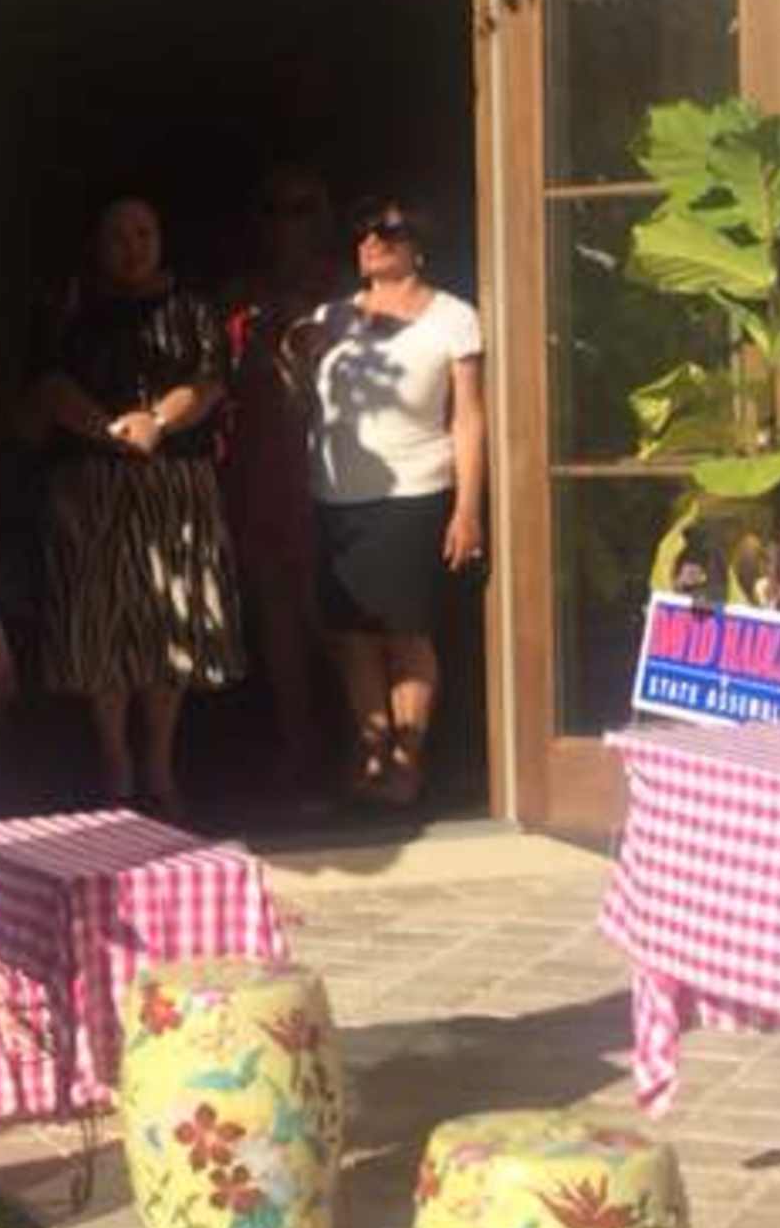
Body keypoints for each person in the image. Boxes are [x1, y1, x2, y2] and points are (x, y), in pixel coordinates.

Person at [29, 195, 243, 813]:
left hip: (172, 482)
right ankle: (115, 762)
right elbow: (48, 383)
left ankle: (159, 763)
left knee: (168, 620)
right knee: (102, 622)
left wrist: (156, 423)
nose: (133, 247)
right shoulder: (71, 308)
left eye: (145, 233)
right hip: (91, 483)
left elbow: (208, 382)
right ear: (98, 244)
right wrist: (107, 431)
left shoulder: (192, 308)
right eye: (119, 236)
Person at [301, 195, 487, 809]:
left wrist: (468, 509)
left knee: (407, 633)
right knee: (352, 635)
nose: (372, 241)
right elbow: (306, 400)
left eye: (388, 230)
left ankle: (409, 757)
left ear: (418, 244)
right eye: (363, 231)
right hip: (337, 496)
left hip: (414, 491)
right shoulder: (330, 316)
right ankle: (372, 750)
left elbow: (468, 418)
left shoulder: (453, 317)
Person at [223, 159, 344, 806]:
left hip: (338, 473)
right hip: (262, 469)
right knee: (276, 616)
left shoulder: (349, 291)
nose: (285, 222)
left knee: (333, 615)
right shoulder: (238, 298)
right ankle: (299, 749)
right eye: (272, 208)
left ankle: (358, 744)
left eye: (301, 208)